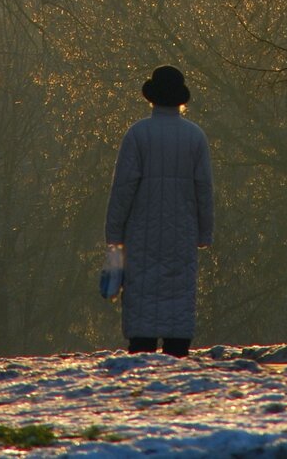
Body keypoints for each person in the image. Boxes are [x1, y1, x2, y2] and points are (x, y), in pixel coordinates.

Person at [104, 65, 214, 357]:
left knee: (142, 293)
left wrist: (114, 233)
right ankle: (177, 349)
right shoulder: (195, 136)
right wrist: (204, 232)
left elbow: (123, 188)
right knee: (178, 292)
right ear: (181, 99)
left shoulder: (138, 134)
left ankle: (142, 351)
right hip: (183, 232)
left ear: (151, 97)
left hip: (142, 232)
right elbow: (204, 188)